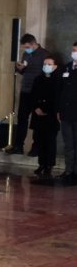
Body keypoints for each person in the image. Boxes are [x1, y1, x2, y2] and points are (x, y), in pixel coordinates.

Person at [9, 34, 48, 156]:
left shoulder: (44, 54)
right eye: (24, 47)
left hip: (37, 92)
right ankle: (18, 146)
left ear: (34, 44)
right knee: (22, 119)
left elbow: (46, 73)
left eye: (27, 47)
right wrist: (20, 68)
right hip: (25, 90)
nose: (26, 49)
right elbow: (24, 71)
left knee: (37, 121)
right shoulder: (26, 54)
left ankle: (36, 148)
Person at [30, 56, 60, 179]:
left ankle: (49, 165)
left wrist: (46, 110)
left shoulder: (58, 80)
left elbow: (57, 98)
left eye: (49, 64)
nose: (46, 66)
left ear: (55, 66)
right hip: (38, 115)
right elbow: (33, 95)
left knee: (50, 141)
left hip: (51, 116)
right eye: (45, 63)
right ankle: (41, 164)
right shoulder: (38, 79)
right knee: (39, 139)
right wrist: (36, 107)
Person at [57, 42, 77, 184]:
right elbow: (61, 91)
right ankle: (69, 170)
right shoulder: (67, 67)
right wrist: (59, 109)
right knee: (68, 143)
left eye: (76, 50)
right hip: (66, 112)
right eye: (73, 49)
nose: (73, 52)